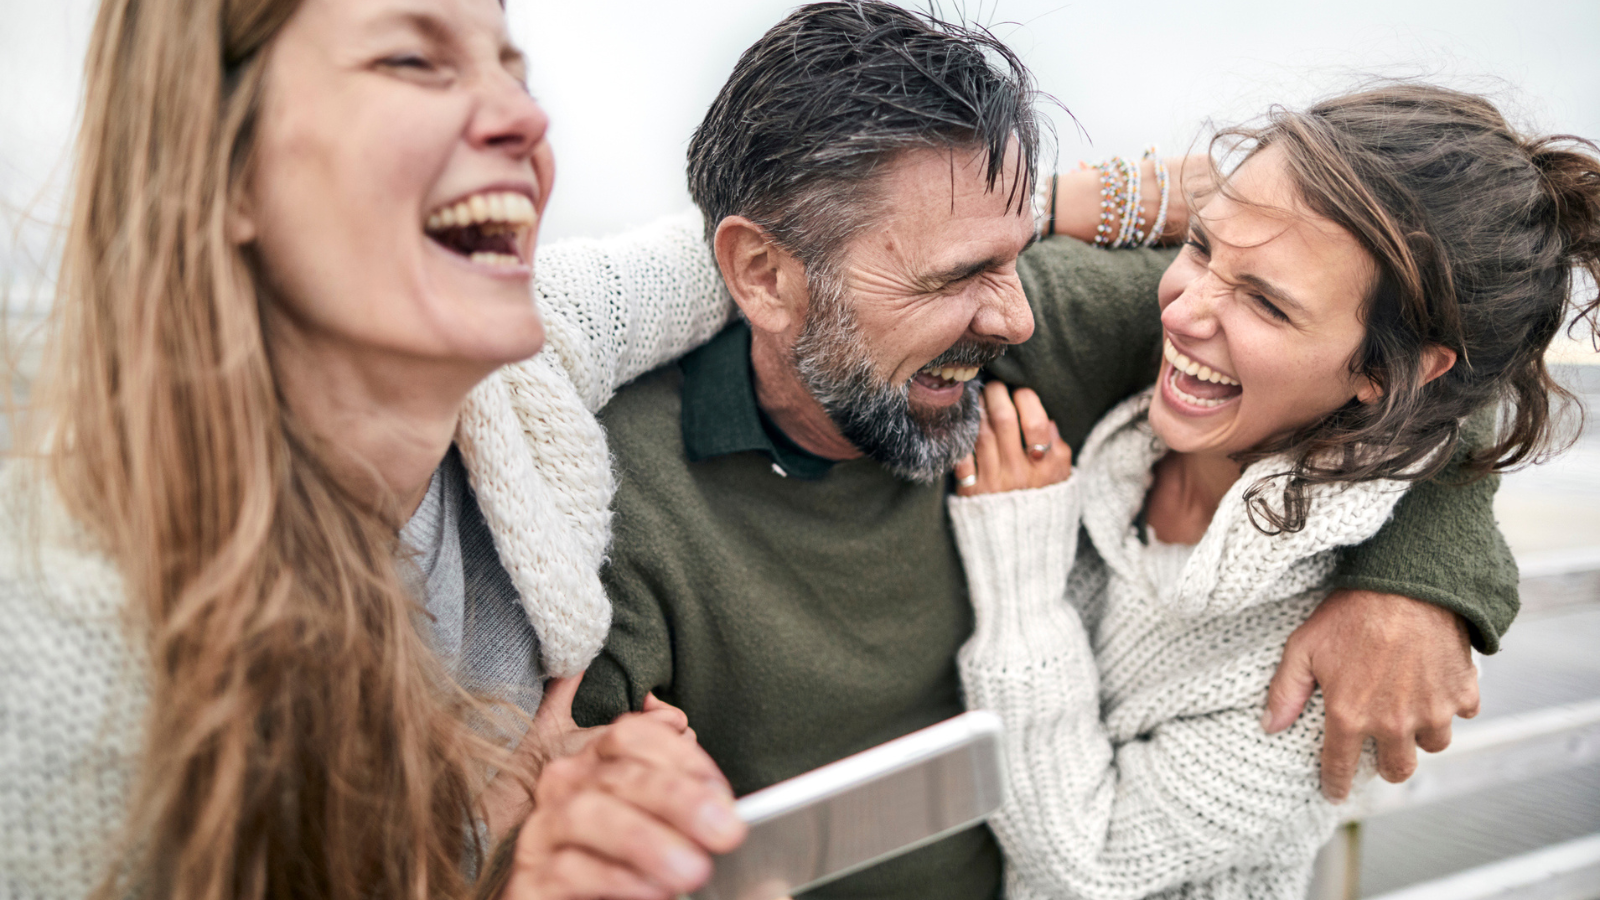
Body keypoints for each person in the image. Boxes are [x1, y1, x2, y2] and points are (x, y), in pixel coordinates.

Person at [571, 5, 1516, 900]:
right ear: (764, 276)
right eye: (957, 276)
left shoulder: (1056, 330)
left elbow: (1429, 353)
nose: (1014, 313)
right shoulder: (613, 502)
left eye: (1016, 254)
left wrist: (1418, 579)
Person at [0, 0, 743, 898]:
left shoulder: (526, 376)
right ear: (220, 166)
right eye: (410, 61)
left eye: (510, 68)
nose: (528, 115)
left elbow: (728, 262)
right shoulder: (61, 669)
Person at [950, 83, 1600, 898]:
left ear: (1388, 372)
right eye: (1201, 248)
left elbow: (1091, 864)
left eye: (1266, 303)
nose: (1184, 311)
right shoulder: (1132, 423)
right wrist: (1053, 202)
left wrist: (1020, 582)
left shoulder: (1340, 666)